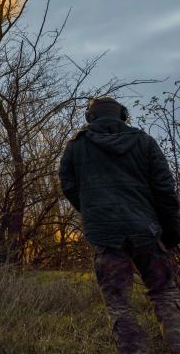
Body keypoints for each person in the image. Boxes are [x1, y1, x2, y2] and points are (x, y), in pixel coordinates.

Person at [59, 96, 180, 353]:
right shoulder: (145, 142)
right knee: (165, 294)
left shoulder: (76, 147)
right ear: (122, 116)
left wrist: (95, 212)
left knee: (118, 303)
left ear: (90, 118)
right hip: (146, 230)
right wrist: (171, 232)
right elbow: (165, 190)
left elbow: (68, 186)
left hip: (106, 236)